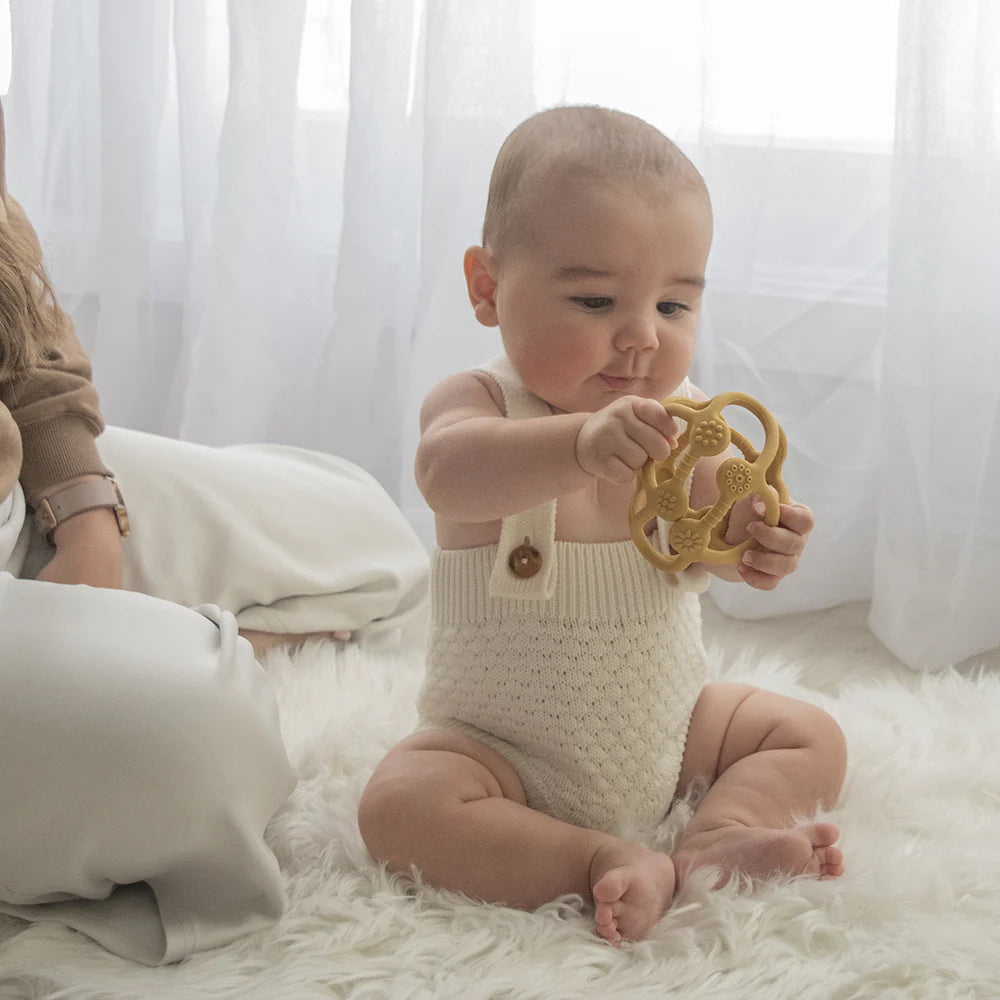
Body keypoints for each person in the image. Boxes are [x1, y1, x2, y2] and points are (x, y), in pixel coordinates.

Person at [358, 105, 847, 946]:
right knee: (399, 806)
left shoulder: (685, 419)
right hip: (499, 750)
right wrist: (578, 445)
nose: (640, 338)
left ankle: (718, 838)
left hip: (671, 727)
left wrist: (759, 540)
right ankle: (592, 859)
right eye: (595, 299)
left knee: (808, 734)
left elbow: (717, 523)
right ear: (486, 288)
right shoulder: (481, 407)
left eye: (672, 305)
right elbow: (446, 473)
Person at [0, 100, 427, 965]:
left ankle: (153, 639)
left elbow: (30, 349)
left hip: (16, 500)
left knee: (370, 537)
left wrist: (88, 525)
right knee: (209, 744)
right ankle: (189, 651)